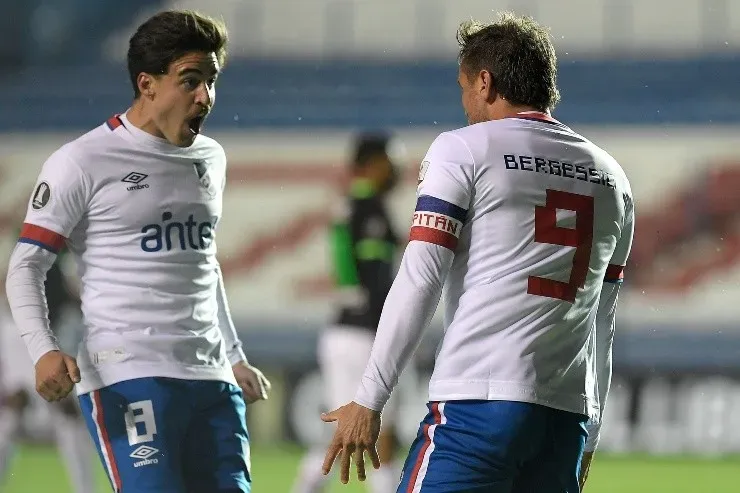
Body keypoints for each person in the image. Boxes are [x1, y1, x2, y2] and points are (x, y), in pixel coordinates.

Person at [321, 12, 634, 493]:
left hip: (478, 406)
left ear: (485, 82)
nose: (465, 103)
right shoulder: (612, 178)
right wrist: (589, 436)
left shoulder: (463, 149)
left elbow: (421, 277)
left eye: (464, 87)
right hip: (563, 420)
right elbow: (603, 321)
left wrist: (369, 398)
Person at [4, 10, 271, 493]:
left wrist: (234, 355)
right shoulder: (81, 161)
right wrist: (42, 350)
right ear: (147, 84)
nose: (205, 97)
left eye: (211, 81)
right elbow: (26, 265)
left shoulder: (211, 158)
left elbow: (204, 263)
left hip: (211, 378)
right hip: (129, 373)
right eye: (190, 81)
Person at [293, 133, 407, 493]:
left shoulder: (350, 206)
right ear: (372, 164)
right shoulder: (369, 208)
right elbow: (374, 282)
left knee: (348, 433)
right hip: (364, 333)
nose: (396, 170)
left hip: (346, 331)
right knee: (378, 431)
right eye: (390, 162)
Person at [0, 255, 96, 493]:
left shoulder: (72, 322)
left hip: (63, 414)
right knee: (5, 423)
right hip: (19, 413)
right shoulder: (6, 322)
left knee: (70, 424)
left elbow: (89, 372)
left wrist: (70, 397)